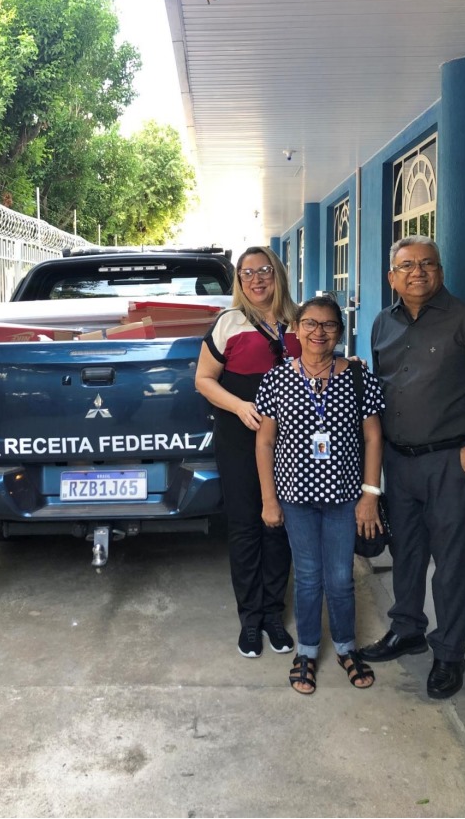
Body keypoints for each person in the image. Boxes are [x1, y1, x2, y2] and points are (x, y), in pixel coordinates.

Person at [359, 236, 465, 699]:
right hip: (399, 460)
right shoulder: (381, 325)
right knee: (407, 553)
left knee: (452, 563)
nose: (417, 272)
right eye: (407, 265)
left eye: (427, 264)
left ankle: (450, 653)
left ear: (440, 271)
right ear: (391, 277)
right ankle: (407, 629)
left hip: (452, 462)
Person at [255, 296, 385, 694]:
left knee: (341, 579)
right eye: (310, 323)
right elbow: (264, 443)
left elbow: (373, 435)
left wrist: (370, 495)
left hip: (346, 497)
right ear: (295, 329)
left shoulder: (358, 377)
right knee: (309, 578)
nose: (319, 332)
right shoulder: (277, 379)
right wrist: (269, 499)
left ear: (339, 333)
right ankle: (307, 651)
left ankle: (346, 647)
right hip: (295, 498)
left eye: (329, 325)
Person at [195, 246, 301, 657]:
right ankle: (250, 619)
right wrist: (239, 406)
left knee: (280, 525)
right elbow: (203, 379)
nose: (256, 279)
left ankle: (275, 614)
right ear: (238, 281)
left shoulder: (299, 321)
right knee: (245, 526)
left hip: (291, 442)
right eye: (246, 273)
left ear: (278, 275)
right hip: (240, 437)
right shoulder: (228, 323)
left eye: (264, 271)